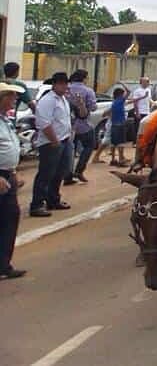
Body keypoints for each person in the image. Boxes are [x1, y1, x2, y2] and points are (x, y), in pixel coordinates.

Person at [29, 72, 74, 217]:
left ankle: (53, 199)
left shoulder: (63, 100)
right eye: (61, 83)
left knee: (60, 171)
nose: (64, 86)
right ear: (54, 84)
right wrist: (54, 141)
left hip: (64, 139)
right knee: (46, 173)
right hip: (51, 142)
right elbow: (43, 122)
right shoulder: (48, 100)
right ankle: (37, 204)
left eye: (66, 83)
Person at [0, 82, 27, 279]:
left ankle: (3, 265)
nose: (15, 100)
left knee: (10, 218)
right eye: (11, 96)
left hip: (7, 175)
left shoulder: (5, 120)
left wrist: (13, 171)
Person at [63, 69, 97, 186]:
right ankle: (79, 170)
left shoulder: (67, 89)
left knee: (69, 150)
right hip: (84, 125)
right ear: (84, 78)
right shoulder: (88, 91)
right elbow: (93, 107)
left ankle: (67, 174)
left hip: (68, 125)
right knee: (89, 145)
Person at [109, 86, 131, 166]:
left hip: (114, 124)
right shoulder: (120, 100)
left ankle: (113, 159)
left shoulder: (114, 102)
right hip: (120, 124)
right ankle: (121, 160)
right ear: (120, 95)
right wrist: (123, 84)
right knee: (121, 143)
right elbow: (129, 91)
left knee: (113, 143)